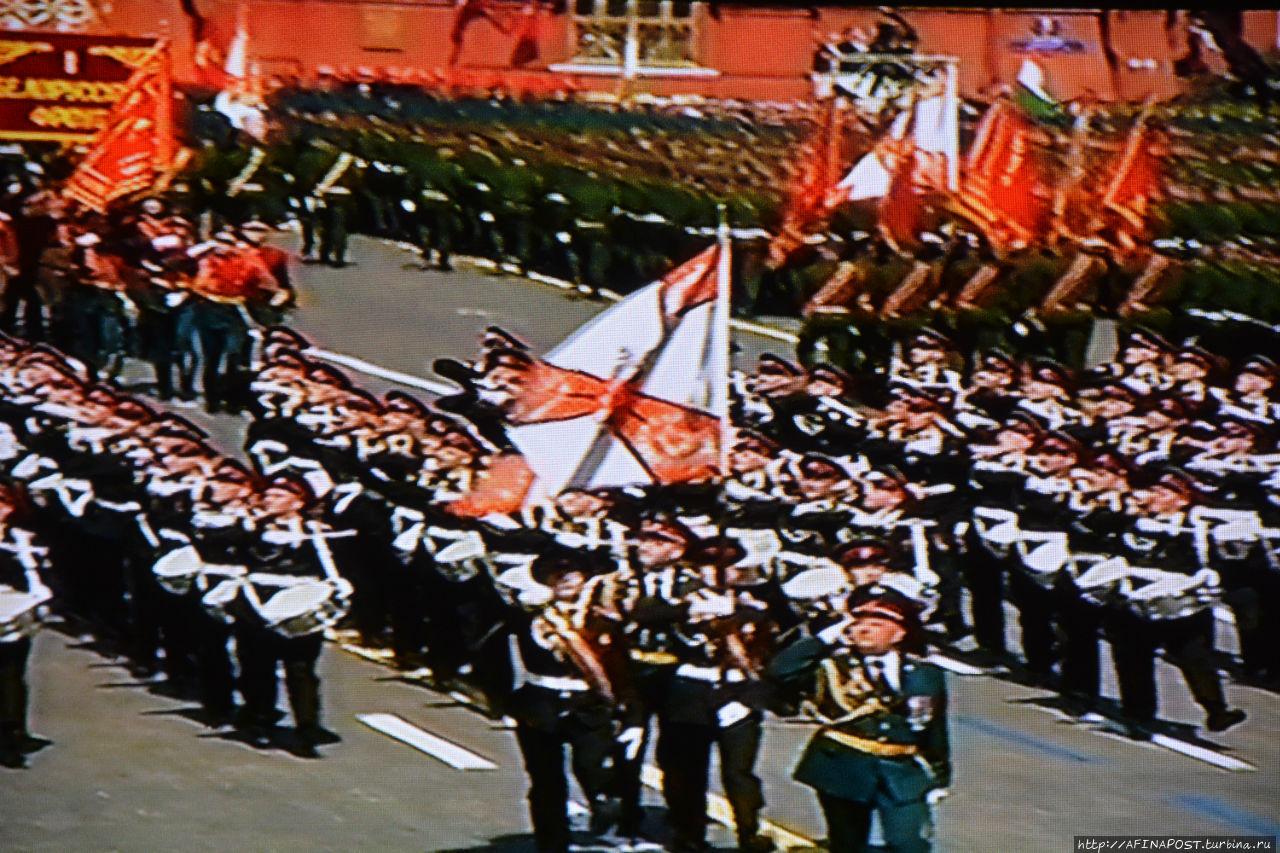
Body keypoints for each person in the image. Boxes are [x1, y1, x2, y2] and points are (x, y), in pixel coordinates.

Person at [768, 587, 949, 853]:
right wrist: (825, 638)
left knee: (910, 844)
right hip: (843, 767)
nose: (865, 630)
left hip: (902, 771)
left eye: (877, 624)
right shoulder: (833, 667)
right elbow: (779, 670)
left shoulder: (924, 673)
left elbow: (934, 727)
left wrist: (940, 777)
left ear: (900, 633)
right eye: (859, 624)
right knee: (847, 845)